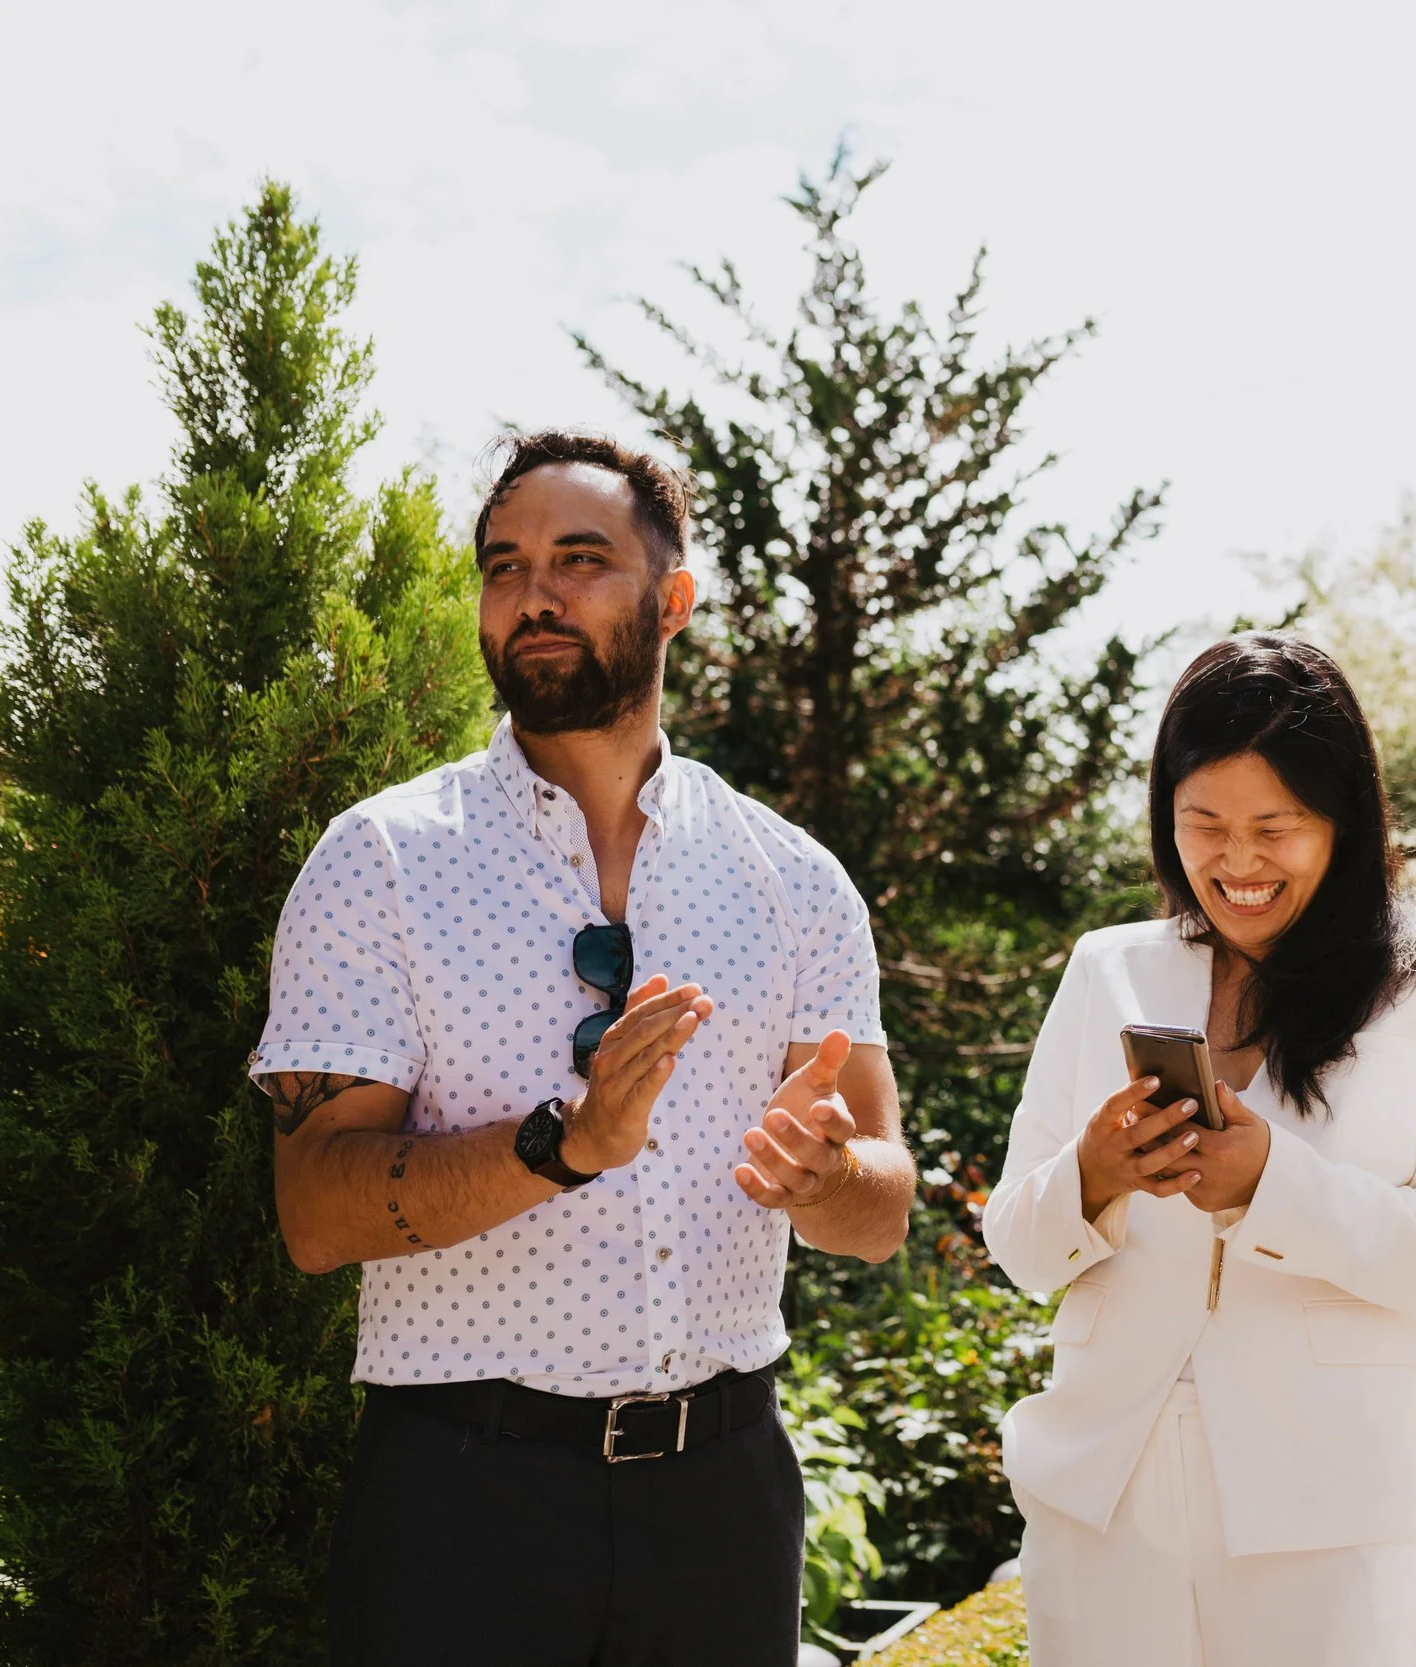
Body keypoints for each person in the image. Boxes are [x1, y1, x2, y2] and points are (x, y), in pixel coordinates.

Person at [251, 430, 917, 1666]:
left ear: (673, 599)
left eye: (579, 558)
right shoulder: (382, 861)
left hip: (725, 1499)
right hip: (464, 1505)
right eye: (504, 566)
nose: (534, 593)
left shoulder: (791, 879)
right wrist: (563, 1145)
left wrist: (830, 1180)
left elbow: (882, 1207)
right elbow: (314, 1211)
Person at [982, 634, 1416, 1667]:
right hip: (1100, 1500)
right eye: (1204, 825)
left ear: (1341, 822)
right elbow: (1017, 1243)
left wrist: (1273, 1183)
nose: (1238, 860)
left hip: (1334, 1518)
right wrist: (1092, 1174)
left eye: (1276, 826)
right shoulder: (1107, 970)